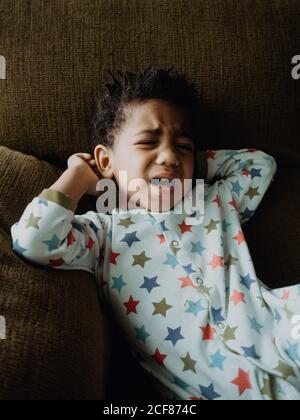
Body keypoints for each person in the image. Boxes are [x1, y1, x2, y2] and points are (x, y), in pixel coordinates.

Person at [11, 66, 300, 400]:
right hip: (213, 386)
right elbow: (33, 240)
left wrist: (194, 165)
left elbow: (259, 165)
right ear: (106, 161)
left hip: (280, 330)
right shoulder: (103, 234)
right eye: (148, 142)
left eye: (182, 146)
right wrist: (75, 179)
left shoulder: (214, 200)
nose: (168, 156)